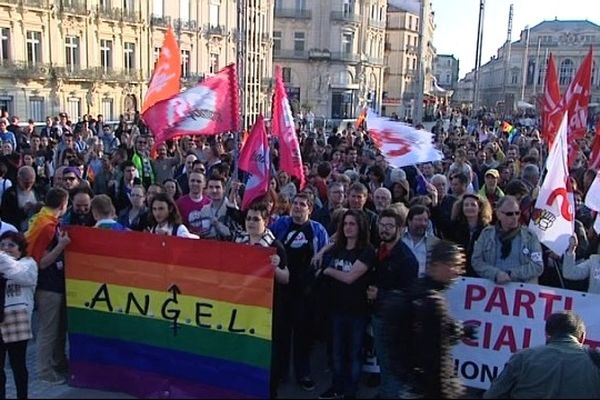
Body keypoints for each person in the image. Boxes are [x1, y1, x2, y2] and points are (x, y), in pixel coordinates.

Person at [270, 192, 329, 392]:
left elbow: (324, 256)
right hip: (282, 289)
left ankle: (303, 372)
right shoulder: (280, 225)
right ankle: (280, 372)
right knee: (281, 334)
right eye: (295, 203)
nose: (297, 207)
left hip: (305, 291)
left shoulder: (317, 230)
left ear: (310, 209)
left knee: (303, 335)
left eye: (302, 204)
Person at [318, 210, 376, 399]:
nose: (348, 227)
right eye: (345, 224)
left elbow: (350, 277)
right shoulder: (338, 248)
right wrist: (322, 251)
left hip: (356, 311)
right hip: (335, 308)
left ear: (360, 227)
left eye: (352, 224)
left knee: (353, 353)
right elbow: (330, 245)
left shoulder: (367, 251)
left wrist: (328, 271)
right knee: (336, 352)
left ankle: (351, 391)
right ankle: (336, 387)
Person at [234, 201, 289, 397]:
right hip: (243, 306)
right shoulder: (238, 242)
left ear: (266, 221)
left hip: (267, 309)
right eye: (248, 218)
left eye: (256, 219)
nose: (251, 223)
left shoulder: (275, 246)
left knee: (266, 352)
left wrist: (275, 268)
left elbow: (286, 278)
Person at [408, 240, 475, 399]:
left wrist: (456, 329)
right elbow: (437, 359)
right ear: (438, 265)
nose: (458, 272)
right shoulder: (433, 302)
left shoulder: (418, 291)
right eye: (454, 265)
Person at [484, 311, 600, 398]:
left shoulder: (523, 357)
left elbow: (492, 395)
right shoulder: (596, 359)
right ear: (583, 337)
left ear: (547, 334)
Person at [367, 208, 419, 399]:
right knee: (383, 361)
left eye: (390, 226)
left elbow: (407, 296)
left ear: (399, 229)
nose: (385, 229)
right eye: (382, 225)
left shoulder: (406, 259)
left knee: (393, 365)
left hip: (395, 322)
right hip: (379, 315)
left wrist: (380, 294)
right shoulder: (379, 249)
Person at [25, 187, 70, 384]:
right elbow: (42, 261)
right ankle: (44, 371)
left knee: (53, 328)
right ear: (63, 204)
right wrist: (61, 245)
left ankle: (55, 363)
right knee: (48, 330)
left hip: (49, 283)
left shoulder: (42, 219)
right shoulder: (47, 226)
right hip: (47, 284)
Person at [472, 195, 544, 284]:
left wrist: (511, 274)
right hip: (492, 290)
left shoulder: (530, 236)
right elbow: (476, 261)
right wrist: (495, 274)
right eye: (509, 214)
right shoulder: (486, 234)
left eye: (517, 213)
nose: (514, 217)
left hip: (522, 292)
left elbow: (538, 266)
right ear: (498, 214)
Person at [0, 231, 38, 399]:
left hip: (16, 318)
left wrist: (1, 257)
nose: (6, 249)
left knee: (18, 365)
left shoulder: (28, 264)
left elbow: (21, 276)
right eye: (2, 245)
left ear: (21, 249)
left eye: (11, 245)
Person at [446, 194, 493, 277]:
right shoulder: (454, 227)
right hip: (458, 273)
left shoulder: (487, 230)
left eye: (473, 205)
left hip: (479, 275)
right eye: (466, 205)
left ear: (479, 208)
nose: (469, 208)